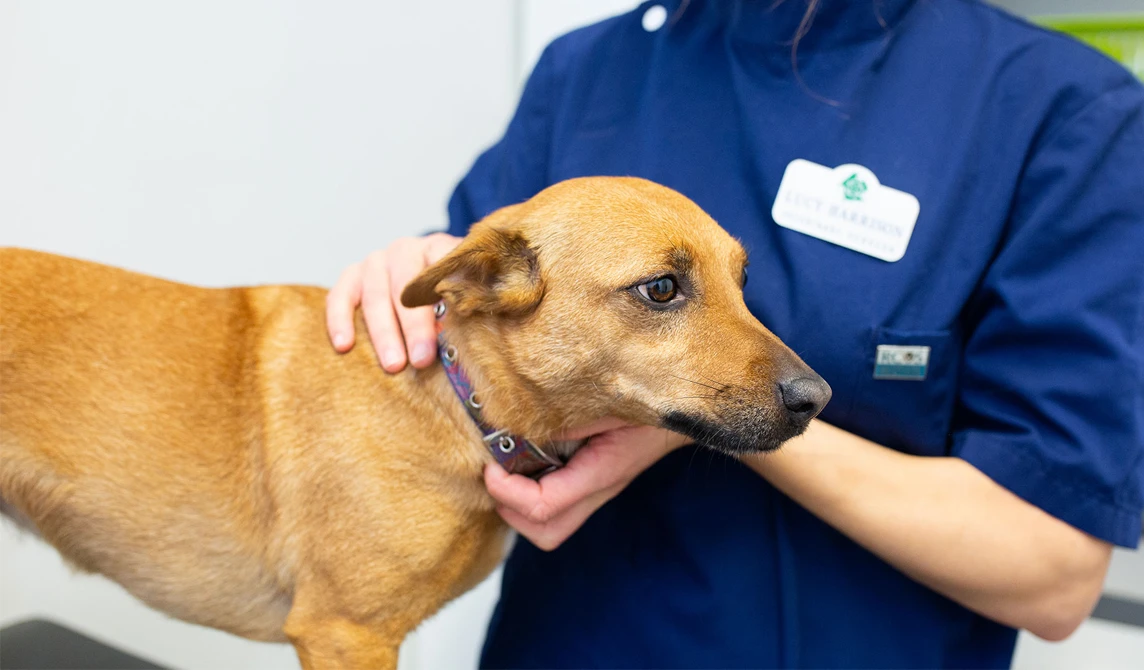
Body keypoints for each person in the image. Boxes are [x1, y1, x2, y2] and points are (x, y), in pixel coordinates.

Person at [325, 0, 1144, 667]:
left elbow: (1054, 575)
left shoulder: (1059, 110)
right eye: (660, 289)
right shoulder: (589, 70)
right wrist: (418, 276)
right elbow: (476, 336)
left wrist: (689, 419)